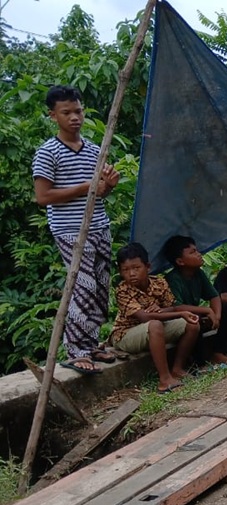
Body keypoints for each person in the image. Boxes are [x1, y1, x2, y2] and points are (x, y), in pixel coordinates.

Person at [32, 85, 121, 374]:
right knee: (82, 287)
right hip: (70, 230)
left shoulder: (95, 150)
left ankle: (92, 342)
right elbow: (43, 197)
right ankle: (76, 351)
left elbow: (100, 193)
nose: (74, 117)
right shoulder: (47, 153)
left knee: (100, 286)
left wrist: (108, 185)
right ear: (52, 116)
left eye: (78, 111)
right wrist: (88, 186)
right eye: (66, 112)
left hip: (99, 225)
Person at [110, 243, 200, 393]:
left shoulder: (159, 282)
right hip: (125, 334)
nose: (131, 274)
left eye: (136, 268)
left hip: (154, 329)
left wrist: (162, 310)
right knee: (155, 324)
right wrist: (177, 314)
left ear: (148, 267)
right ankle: (164, 380)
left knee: (191, 323)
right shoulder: (122, 290)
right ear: (120, 272)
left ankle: (177, 368)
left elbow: (172, 306)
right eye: (125, 270)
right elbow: (144, 317)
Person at [162, 235, 227, 365]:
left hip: (196, 314)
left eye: (197, 250)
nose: (199, 254)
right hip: (178, 319)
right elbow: (177, 307)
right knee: (195, 321)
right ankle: (197, 362)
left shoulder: (198, 274)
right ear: (180, 261)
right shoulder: (172, 279)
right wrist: (206, 310)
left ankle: (220, 352)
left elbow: (213, 296)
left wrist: (217, 315)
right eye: (192, 252)